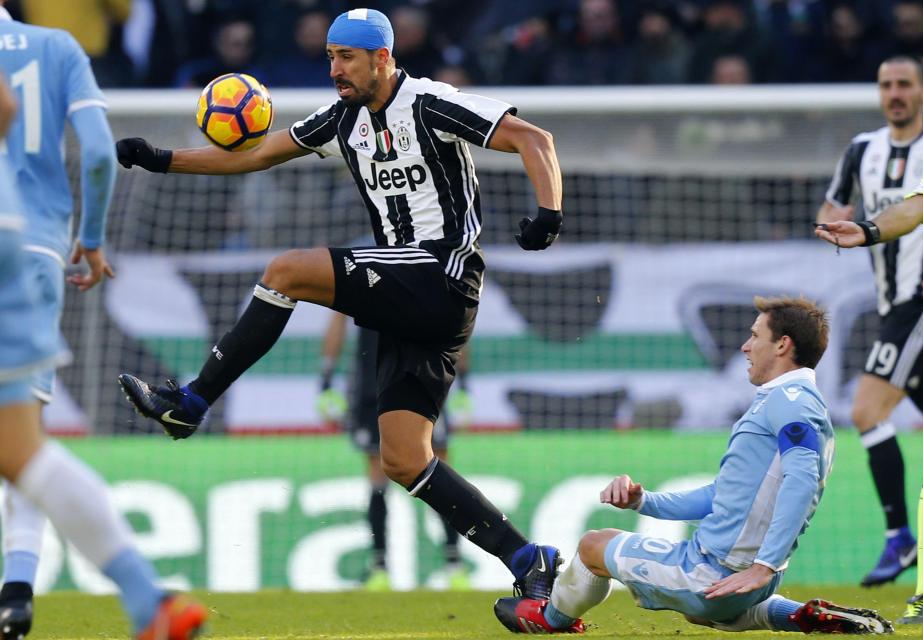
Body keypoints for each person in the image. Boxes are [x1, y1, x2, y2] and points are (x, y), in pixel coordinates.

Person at [115, 7, 565, 600]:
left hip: (442, 277)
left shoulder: (431, 102)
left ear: (383, 57)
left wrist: (549, 214)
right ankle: (528, 558)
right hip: (409, 300)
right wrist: (163, 159)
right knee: (404, 459)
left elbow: (534, 138)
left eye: (345, 57)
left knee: (286, 271)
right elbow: (254, 154)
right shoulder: (341, 118)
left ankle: (193, 400)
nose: (335, 69)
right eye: (329, 57)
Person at [494, 296, 894, 635]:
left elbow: (802, 477)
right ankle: (801, 616)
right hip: (750, 582)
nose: (745, 346)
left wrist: (763, 564)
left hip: (718, 570)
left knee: (593, 545)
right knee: (708, 609)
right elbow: (719, 496)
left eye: (755, 335)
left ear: (782, 345)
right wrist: (643, 502)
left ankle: (547, 620)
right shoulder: (797, 400)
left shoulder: (789, 402)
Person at [0, 71, 205, 640]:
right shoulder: (45, 48)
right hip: (20, 237)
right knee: (22, 451)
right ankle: (149, 601)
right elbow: (9, 110)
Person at [0, 2, 137, 634]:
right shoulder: (55, 47)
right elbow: (102, 155)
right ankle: (17, 594)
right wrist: (92, 237)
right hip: (30, 250)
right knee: (25, 440)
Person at [815, 54, 923, 588]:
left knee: (866, 409)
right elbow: (833, 208)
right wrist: (830, 226)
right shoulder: (861, 151)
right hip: (890, 303)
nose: (894, 93)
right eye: (886, 85)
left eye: (904, 84)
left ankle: (900, 536)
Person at [317, 313, 471, 591]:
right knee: (380, 471)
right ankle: (380, 568)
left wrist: (465, 382)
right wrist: (326, 380)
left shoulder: (428, 272)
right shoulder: (363, 271)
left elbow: (458, 317)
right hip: (376, 383)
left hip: (425, 377)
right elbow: (339, 316)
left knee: (438, 466)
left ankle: (454, 563)